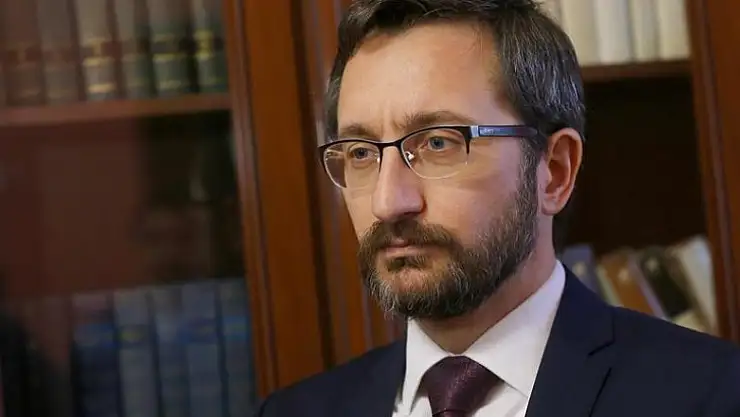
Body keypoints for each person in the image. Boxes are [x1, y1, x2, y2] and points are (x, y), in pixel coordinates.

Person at [255, 0, 740, 416]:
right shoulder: (293, 412)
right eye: (361, 153)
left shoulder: (712, 395)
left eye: (439, 143)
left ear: (555, 170)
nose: (389, 202)